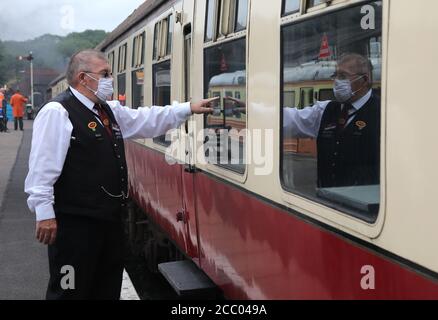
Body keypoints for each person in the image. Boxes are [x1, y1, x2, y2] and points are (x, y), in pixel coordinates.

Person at [24, 49, 217, 300]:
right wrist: (44, 214)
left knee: (106, 286)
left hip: (108, 220)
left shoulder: (106, 111)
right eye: (105, 74)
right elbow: (42, 167)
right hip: (74, 227)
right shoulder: (57, 112)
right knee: (69, 289)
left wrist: (188, 108)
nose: (110, 80)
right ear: (83, 78)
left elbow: (146, 119)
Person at [284, 53, 380, 188]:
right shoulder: (326, 110)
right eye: (335, 75)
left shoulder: (383, 113)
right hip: (327, 201)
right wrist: (252, 110)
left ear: (364, 80)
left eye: (343, 76)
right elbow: (291, 119)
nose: (336, 81)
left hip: (362, 205)